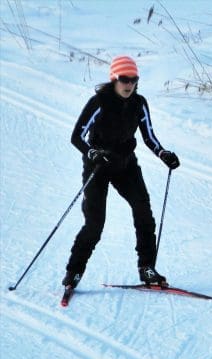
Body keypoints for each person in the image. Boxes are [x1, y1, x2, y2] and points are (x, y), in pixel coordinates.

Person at [62, 55, 181, 292]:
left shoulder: (139, 103)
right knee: (95, 223)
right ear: (114, 79)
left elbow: (148, 136)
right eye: (124, 79)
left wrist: (163, 153)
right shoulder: (99, 102)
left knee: (143, 211)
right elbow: (77, 137)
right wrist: (92, 153)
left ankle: (147, 267)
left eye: (133, 79)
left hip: (125, 165)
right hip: (98, 167)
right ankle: (73, 272)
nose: (129, 84)